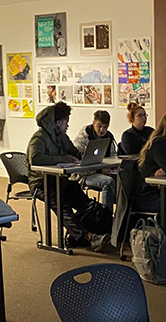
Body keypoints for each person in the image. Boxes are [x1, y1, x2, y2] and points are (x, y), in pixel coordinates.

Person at [27, 102, 109, 249]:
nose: (68, 125)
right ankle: (88, 236)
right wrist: (61, 158)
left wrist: (83, 156)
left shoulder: (61, 137)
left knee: (82, 199)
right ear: (58, 123)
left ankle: (80, 233)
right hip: (41, 183)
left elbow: (72, 150)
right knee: (61, 205)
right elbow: (35, 159)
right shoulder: (39, 138)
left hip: (59, 180)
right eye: (66, 122)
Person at [72, 109, 117, 208]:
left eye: (105, 127)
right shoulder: (83, 137)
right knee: (108, 182)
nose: (102, 130)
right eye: (99, 126)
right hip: (83, 174)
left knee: (124, 179)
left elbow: (113, 157)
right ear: (93, 123)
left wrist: (113, 167)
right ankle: (106, 215)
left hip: (103, 172)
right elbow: (77, 159)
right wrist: (100, 168)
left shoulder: (109, 137)